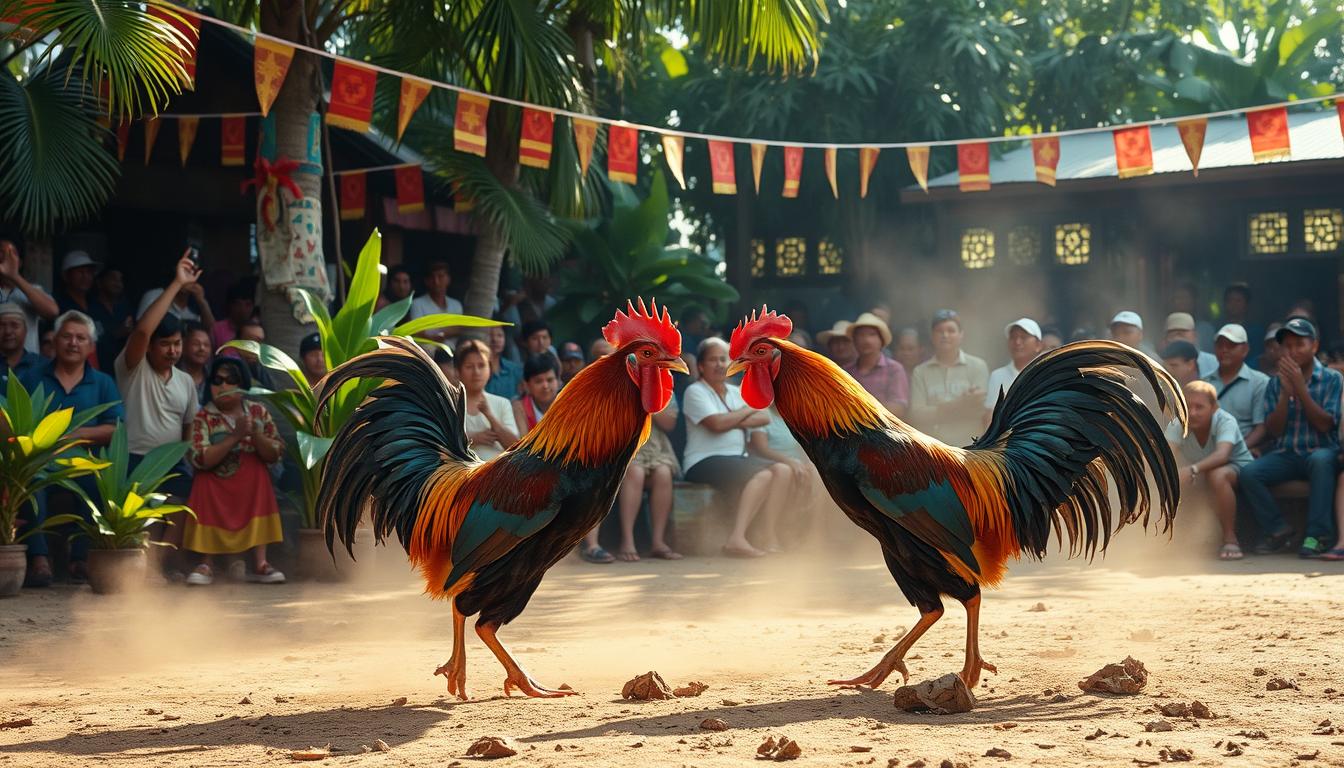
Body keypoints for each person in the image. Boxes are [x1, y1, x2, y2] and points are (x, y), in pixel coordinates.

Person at [19, 310, 124, 585]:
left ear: (91, 346)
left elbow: (115, 428)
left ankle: (80, 559)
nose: (73, 343)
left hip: (85, 462)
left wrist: (72, 434)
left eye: (81, 338)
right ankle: (39, 559)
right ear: (54, 341)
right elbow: (18, 424)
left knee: (99, 484)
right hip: (39, 462)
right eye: (66, 336)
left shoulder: (103, 382)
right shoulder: (32, 377)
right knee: (30, 485)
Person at [117, 252, 202, 578]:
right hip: (136, 459)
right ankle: (142, 572)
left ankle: (162, 567)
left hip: (172, 463)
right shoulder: (132, 369)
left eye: (177, 344)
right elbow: (140, 332)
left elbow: (188, 429)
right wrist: (178, 284)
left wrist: (189, 458)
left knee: (183, 503)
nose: (173, 350)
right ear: (151, 347)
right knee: (143, 521)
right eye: (165, 344)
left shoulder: (185, 381)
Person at [1237, 318, 1342, 558]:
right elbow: (1274, 430)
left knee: (1321, 461)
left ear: (1314, 346)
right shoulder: (1275, 382)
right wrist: (1285, 393)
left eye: (1299, 344)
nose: (1293, 351)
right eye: (1288, 346)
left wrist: (1301, 390)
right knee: (1249, 473)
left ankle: (1318, 535)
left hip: (1321, 451)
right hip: (1287, 454)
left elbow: (1326, 425)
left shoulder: (1332, 379)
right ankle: (1278, 529)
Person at [681, 338, 790, 558]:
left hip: (737, 459)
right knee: (764, 474)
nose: (720, 364)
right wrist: (745, 411)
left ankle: (768, 535)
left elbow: (763, 417)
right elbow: (716, 425)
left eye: (724, 359)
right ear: (701, 366)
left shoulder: (735, 392)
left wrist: (731, 419)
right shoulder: (695, 391)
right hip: (703, 460)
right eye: (713, 359)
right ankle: (737, 538)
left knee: (783, 470)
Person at [182, 357, 286, 585]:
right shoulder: (203, 417)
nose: (223, 386)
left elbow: (276, 451)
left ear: (243, 385)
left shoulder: (258, 412)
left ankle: (261, 563)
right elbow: (199, 458)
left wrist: (255, 435)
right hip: (215, 484)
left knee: (259, 474)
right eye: (217, 380)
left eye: (231, 380)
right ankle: (206, 563)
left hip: (250, 486)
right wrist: (236, 436)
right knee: (204, 480)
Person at [581, 399, 683, 563]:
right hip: (620, 445)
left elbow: (669, 423)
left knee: (663, 473)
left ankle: (658, 542)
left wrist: (648, 400)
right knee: (635, 471)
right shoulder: (615, 380)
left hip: (655, 445)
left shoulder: (663, 381)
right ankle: (627, 542)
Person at [1167, 381, 1254, 560]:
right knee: (1171, 479)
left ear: (1214, 407)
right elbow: (1165, 456)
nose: (1192, 413)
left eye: (1199, 407)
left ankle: (1230, 539)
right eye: (1187, 406)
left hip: (1239, 470)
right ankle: (1173, 540)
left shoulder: (1225, 420)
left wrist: (1192, 469)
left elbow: (1222, 455)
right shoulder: (1178, 423)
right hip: (1199, 471)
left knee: (1217, 475)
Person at [908, 309, 989, 445]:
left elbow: (979, 410)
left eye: (951, 331)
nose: (945, 335)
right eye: (940, 331)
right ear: (932, 336)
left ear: (961, 335)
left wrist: (937, 411)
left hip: (970, 447)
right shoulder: (920, 372)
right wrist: (959, 404)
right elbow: (917, 415)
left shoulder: (978, 366)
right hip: (933, 448)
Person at [1204, 324, 1269, 454]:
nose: (1224, 350)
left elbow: (1261, 428)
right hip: (1207, 450)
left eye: (1231, 345)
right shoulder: (1204, 383)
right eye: (1220, 345)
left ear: (1245, 349)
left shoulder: (1260, 382)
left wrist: (1233, 450)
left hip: (1241, 450)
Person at [455, 339, 519, 460]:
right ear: (458, 371)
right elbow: (440, 445)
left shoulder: (502, 403)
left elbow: (515, 446)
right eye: (469, 366)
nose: (476, 372)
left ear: (489, 369)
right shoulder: (451, 404)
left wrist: (489, 415)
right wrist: (473, 439)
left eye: (482, 365)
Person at [843, 312, 908, 417]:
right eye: (861, 335)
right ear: (854, 341)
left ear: (881, 341)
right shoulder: (846, 372)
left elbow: (899, 408)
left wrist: (862, 409)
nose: (866, 340)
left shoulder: (894, 369)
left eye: (872, 334)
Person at [0, 239, 59, 353]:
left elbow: (52, 312)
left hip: (28, 366)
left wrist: (14, 276)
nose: (5, 258)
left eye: (11, 253)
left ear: (20, 262)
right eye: (1, 253)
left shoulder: (33, 290)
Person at [984, 318, 1043, 425]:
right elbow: (990, 416)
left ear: (1038, 345)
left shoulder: (1046, 374)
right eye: (1013, 337)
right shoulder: (998, 376)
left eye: (1023, 337)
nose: (1017, 342)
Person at [407, 261, 464, 344]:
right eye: (432, 277)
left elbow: (460, 328)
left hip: (453, 353)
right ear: (426, 281)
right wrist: (441, 335)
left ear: (448, 279)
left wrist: (443, 334)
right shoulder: (417, 304)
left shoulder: (456, 304)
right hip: (427, 353)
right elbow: (417, 332)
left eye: (440, 277)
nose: (436, 282)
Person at [89, 268, 133, 372]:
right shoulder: (91, 309)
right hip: (101, 369)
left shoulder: (125, 308)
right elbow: (94, 341)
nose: (118, 283)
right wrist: (117, 333)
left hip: (124, 370)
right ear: (99, 283)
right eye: (113, 279)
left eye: (120, 280)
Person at [513, 352, 561, 435]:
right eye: (538, 381)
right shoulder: (520, 408)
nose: (545, 386)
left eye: (550, 380)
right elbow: (522, 444)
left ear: (559, 382)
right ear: (527, 385)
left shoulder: (571, 405)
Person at [0, 303, 42, 392]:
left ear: (25, 330)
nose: (8, 331)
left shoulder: (41, 365)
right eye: (2, 326)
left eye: (15, 325)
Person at [1164, 312, 1217, 378]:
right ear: (1165, 339)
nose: (1177, 339)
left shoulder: (1213, 362)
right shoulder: (1160, 363)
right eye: (1173, 334)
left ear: (1195, 336)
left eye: (1182, 334)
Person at [1168, 281, 1215, 351]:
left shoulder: (1205, 329)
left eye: (1185, 297)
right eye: (1178, 298)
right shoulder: (1167, 327)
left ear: (1194, 301)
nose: (1182, 302)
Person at [1222, 283, 1262, 360]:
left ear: (1246, 305)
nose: (1233, 304)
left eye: (1238, 301)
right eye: (1230, 300)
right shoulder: (1218, 329)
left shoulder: (1255, 332)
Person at [211, 280, 256, 349]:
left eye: (248, 304)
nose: (242, 309)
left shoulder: (258, 330)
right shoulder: (218, 329)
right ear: (230, 305)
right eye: (238, 304)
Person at [484, 324, 523, 397]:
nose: (495, 339)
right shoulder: (477, 369)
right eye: (489, 335)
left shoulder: (514, 369)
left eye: (500, 335)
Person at [179, 321, 213, 401]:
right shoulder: (172, 374)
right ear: (183, 347)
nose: (202, 348)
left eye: (206, 345)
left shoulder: (214, 377)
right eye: (196, 344)